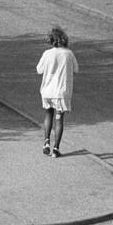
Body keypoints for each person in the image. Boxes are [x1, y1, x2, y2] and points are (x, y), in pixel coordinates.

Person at [36, 27, 79, 158]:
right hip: (61, 92)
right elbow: (76, 69)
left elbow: (39, 70)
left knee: (48, 114)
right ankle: (56, 149)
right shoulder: (69, 54)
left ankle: (46, 141)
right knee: (59, 118)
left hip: (48, 91)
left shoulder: (47, 53)